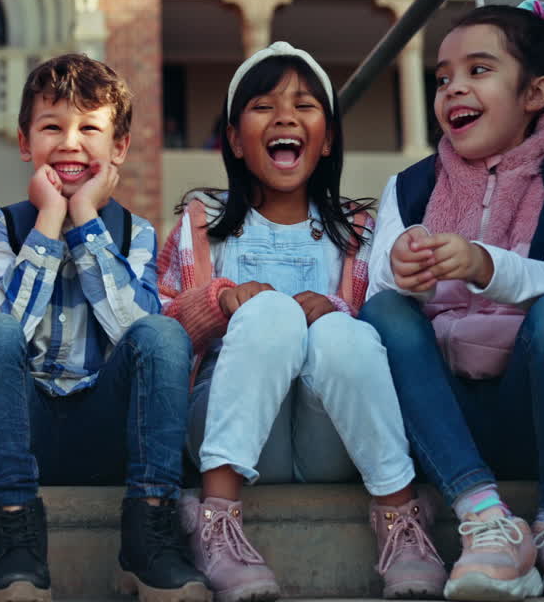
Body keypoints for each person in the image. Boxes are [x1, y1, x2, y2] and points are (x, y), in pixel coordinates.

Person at [158, 42, 445, 601]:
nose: (286, 116)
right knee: (269, 314)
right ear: (235, 140)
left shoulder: (359, 233)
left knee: (342, 330)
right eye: (263, 105)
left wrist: (335, 309)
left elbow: (384, 333)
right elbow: (165, 324)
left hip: (329, 436)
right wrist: (219, 300)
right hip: (228, 430)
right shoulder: (203, 223)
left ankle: (400, 518)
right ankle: (217, 519)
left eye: (305, 105)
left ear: (329, 137)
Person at [359, 0, 544, 600]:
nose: (453, 88)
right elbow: (376, 287)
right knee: (381, 312)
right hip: (440, 422)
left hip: (528, 409)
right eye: (443, 77)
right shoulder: (412, 186)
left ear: (535, 93)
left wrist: (484, 265)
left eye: (479, 70)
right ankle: (485, 520)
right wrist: (402, 270)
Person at [0, 54, 208, 602]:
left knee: (163, 333)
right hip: (21, 432)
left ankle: (149, 535)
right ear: (25, 142)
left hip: (108, 430)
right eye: (52, 127)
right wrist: (49, 220)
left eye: (89, 128)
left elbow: (136, 333)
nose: (71, 142)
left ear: (118, 147)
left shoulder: (135, 232)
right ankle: (16, 541)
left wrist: (86, 224)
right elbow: (4, 329)